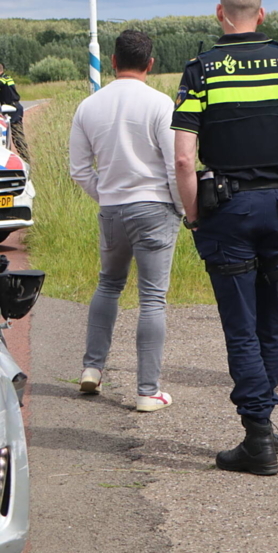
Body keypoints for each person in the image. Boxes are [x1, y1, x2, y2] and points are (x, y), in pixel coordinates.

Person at [173, 0, 278, 476]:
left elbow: (182, 157)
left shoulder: (201, 71)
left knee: (241, 328)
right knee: (271, 323)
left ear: (221, 13)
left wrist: (194, 215)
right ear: (261, 15)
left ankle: (257, 434)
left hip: (227, 212)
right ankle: (266, 426)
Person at [69, 30, 182, 412]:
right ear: (151, 63)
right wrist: (183, 209)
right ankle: (148, 390)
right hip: (154, 208)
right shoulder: (161, 104)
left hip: (112, 208)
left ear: (113, 61)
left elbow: (79, 170)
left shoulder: (88, 106)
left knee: (108, 284)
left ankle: (91, 368)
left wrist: (106, 196)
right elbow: (174, 164)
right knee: (152, 297)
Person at [0, 62, 30, 164]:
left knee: (16, 135)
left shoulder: (2, 80)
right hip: (13, 106)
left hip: (12, 108)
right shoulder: (7, 78)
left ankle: (25, 160)